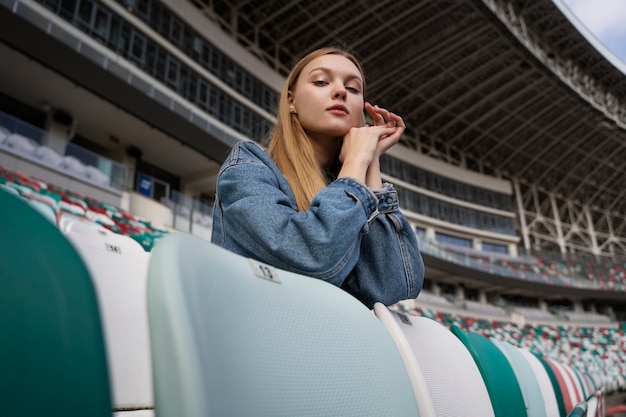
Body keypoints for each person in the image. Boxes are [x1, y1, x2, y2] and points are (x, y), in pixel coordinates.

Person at [211, 46, 424, 308]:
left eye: (354, 89)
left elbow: (392, 286)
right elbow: (311, 258)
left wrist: (371, 162)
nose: (341, 91)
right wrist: (356, 162)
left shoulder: (350, 184)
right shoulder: (248, 167)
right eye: (322, 81)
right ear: (291, 101)